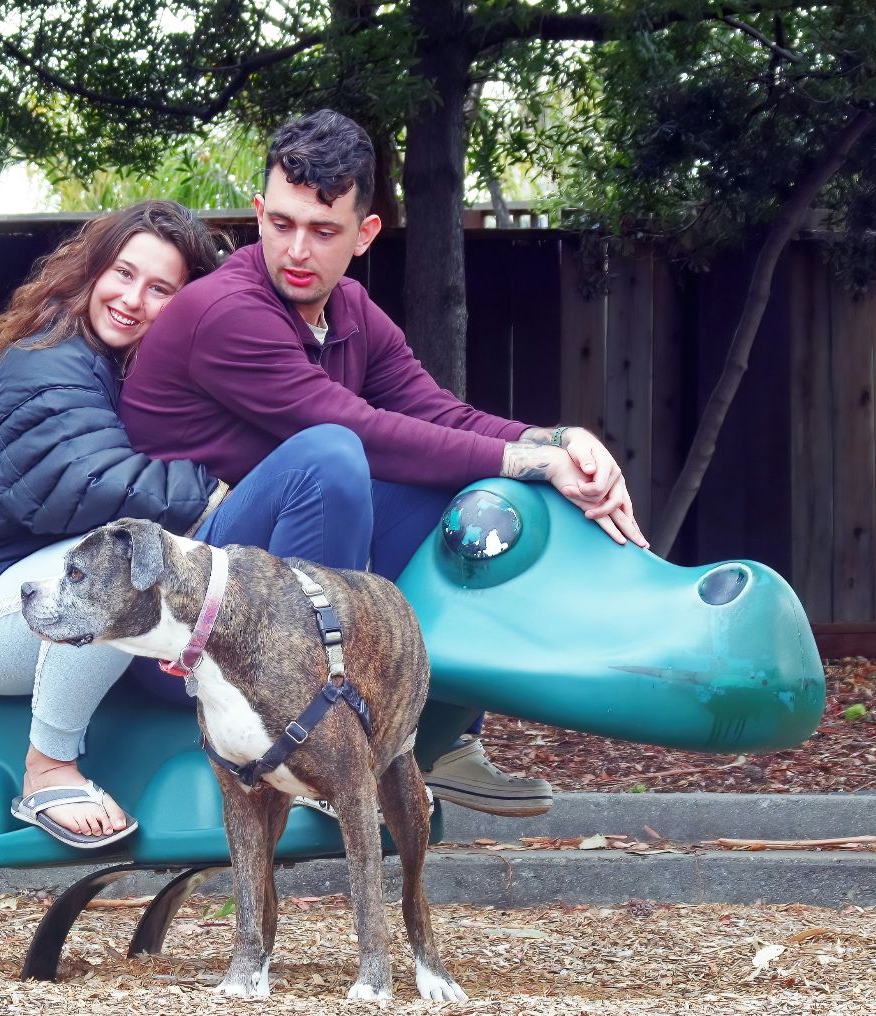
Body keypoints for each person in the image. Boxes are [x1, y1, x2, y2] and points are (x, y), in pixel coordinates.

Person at [120, 110, 648, 817]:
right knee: (334, 456)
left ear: (365, 234)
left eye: (323, 230)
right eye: (280, 224)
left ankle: (439, 736)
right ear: (258, 214)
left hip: (262, 579)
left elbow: (441, 416)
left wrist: (554, 443)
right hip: (179, 614)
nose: (296, 249)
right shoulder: (226, 313)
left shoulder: (353, 314)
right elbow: (357, 430)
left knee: (475, 489)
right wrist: (531, 458)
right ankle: (302, 745)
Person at [0, 201, 230, 849]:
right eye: (123, 273)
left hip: (41, 588)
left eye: (161, 288)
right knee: (132, 563)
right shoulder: (45, 364)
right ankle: (48, 769)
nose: (133, 299)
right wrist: (219, 485)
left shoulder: (128, 371)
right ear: (93, 271)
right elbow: (86, 485)